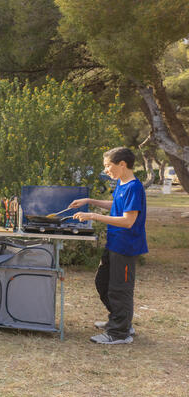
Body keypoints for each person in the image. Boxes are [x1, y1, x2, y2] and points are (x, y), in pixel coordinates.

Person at [70, 147, 147, 345]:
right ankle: (119, 320)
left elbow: (128, 221)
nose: (105, 170)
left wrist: (93, 216)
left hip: (126, 247)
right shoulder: (122, 184)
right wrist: (89, 201)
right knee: (102, 282)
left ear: (122, 164)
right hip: (114, 244)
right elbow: (115, 205)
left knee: (120, 289)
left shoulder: (134, 187)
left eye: (107, 166)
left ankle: (119, 333)